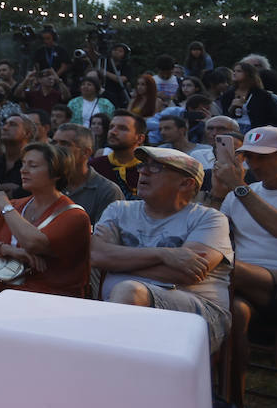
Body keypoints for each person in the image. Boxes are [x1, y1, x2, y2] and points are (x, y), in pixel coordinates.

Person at [0, 142, 91, 366]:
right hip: (6, 290)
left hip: (48, 300)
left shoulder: (74, 215)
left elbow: (34, 242)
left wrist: (4, 206)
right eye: (23, 164)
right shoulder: (16, 205)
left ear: (56, 173)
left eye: (33, 165)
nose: (23, 170)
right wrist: (10, 250)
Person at [92, 147, 232, 352]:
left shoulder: (209, 219)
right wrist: (165, 254)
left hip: (196, 318)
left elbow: (185, 273)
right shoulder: (119, 209)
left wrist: (117, 262)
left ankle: (104, 369)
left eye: (157, 168)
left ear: (186, 183)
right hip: (121, 310)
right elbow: (95, 255)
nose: (143, 172)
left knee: (129, 290)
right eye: (143, 166)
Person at [214, 126, 277, 408]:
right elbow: (214, 230)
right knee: (236, 315)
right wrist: (218, 191)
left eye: (262, 157)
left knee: (224, 269)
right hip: (243, 283)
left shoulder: (242, 192)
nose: (254, 164)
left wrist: (238, 188)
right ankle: (235, 407)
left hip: (272, 276)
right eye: (249, 157)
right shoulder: (240, 193)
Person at [50, 123, 123, 224]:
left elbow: (105, 236)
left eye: (65, 144)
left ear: (85, 152)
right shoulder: (46, 182)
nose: (55, 149)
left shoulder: (107, 191)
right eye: (54, 143)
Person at [89, 110, 146, 196]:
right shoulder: (95, 167)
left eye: (123, 128)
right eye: (111, 127)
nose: (113, 132)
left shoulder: (150, 169)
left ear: (140, 138)